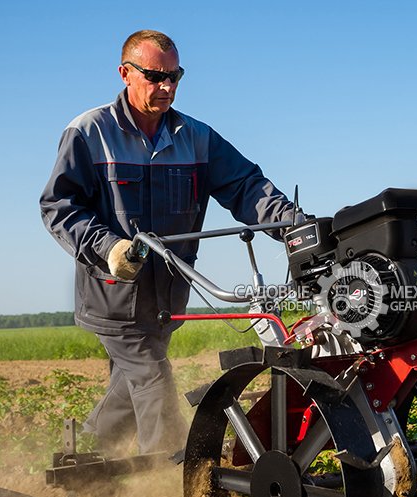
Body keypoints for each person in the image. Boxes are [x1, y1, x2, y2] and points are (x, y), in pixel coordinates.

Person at [40, 29, 300, 456]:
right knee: (153, 380)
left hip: (168, 296)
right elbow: (58, 206)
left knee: (131, 385)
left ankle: (84, 464)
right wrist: (108, 248)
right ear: (125, 73)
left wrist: (295, 226)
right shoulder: (90, 132)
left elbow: (246, 187)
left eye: (175, 77)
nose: (167, 88)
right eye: (155, 76)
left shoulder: (196, 138)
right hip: (114, 295)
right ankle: (173, 494)